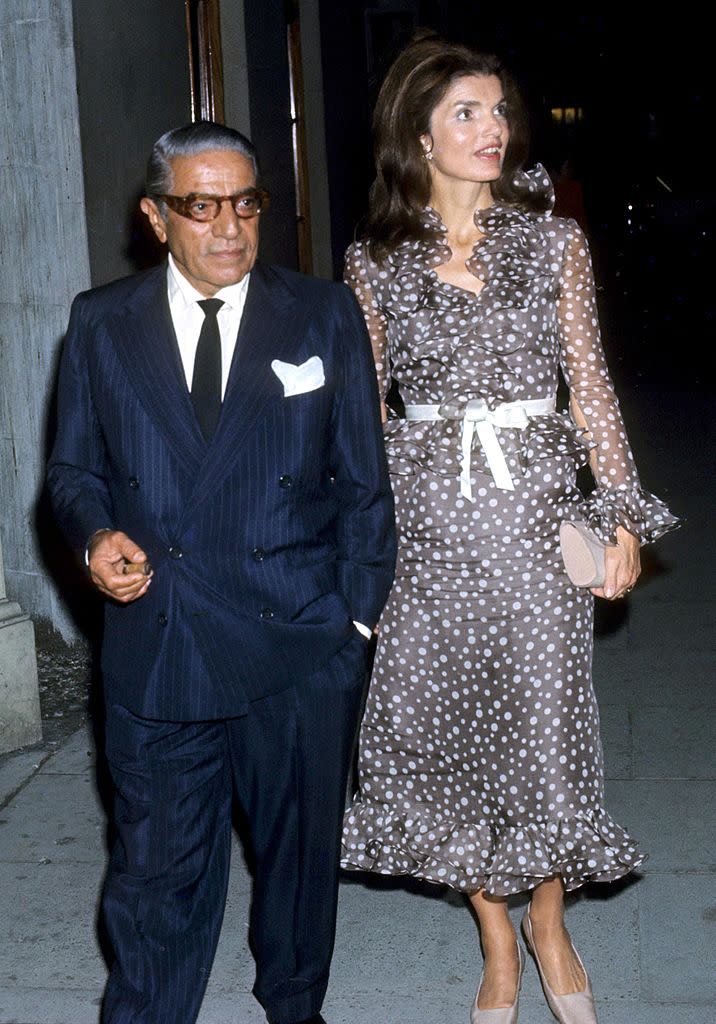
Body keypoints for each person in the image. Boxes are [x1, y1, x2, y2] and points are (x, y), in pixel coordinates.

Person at [340, 36, 678, 1024]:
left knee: (542, 729)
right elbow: (361, 414)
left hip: (533, 517)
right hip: (430, 525)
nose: (490, 130)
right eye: (464, 114)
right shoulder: (375, 262)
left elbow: (591, 386)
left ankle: (546, 918)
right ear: (418, 134)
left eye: (497, 112)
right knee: (447, 738)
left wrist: (617, 516)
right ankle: (493, 937)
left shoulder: (552, 242)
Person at [47, 121, 396, 1024]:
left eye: (246, 203)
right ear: (157, 218)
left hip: (298, 640)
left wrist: (352, 630)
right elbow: (74, 472)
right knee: (155, 874)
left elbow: (366, 483)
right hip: (162, 638)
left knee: (296, 866)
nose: (230, 228)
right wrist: (92, 539)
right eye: (202, 207)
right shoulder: (101, 322)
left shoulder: (321, 314)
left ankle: (293, 1007)